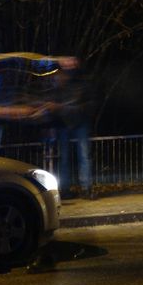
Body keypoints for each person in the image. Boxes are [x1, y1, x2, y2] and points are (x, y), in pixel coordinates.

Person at [51, 66, 97, 199]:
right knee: (75, 156)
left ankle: (81, 187)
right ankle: (77, 188)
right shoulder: (72, 80)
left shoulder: (70, 81)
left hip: (73, 121)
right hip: (70, 122)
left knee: (77, 156)